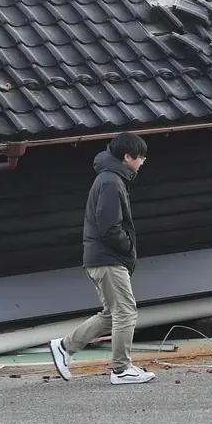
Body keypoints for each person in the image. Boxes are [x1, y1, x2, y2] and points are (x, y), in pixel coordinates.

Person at [49, 132, 156, 385]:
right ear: (127, 157)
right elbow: (109, 226)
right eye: (141, 158)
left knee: (112, 313)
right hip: (108, 258)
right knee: (126, 312)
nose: (142, 162)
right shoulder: (110, 181)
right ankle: (121, 369)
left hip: (101, 258)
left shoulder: (110, 178)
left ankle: (65, 347)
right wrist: (128, 247)